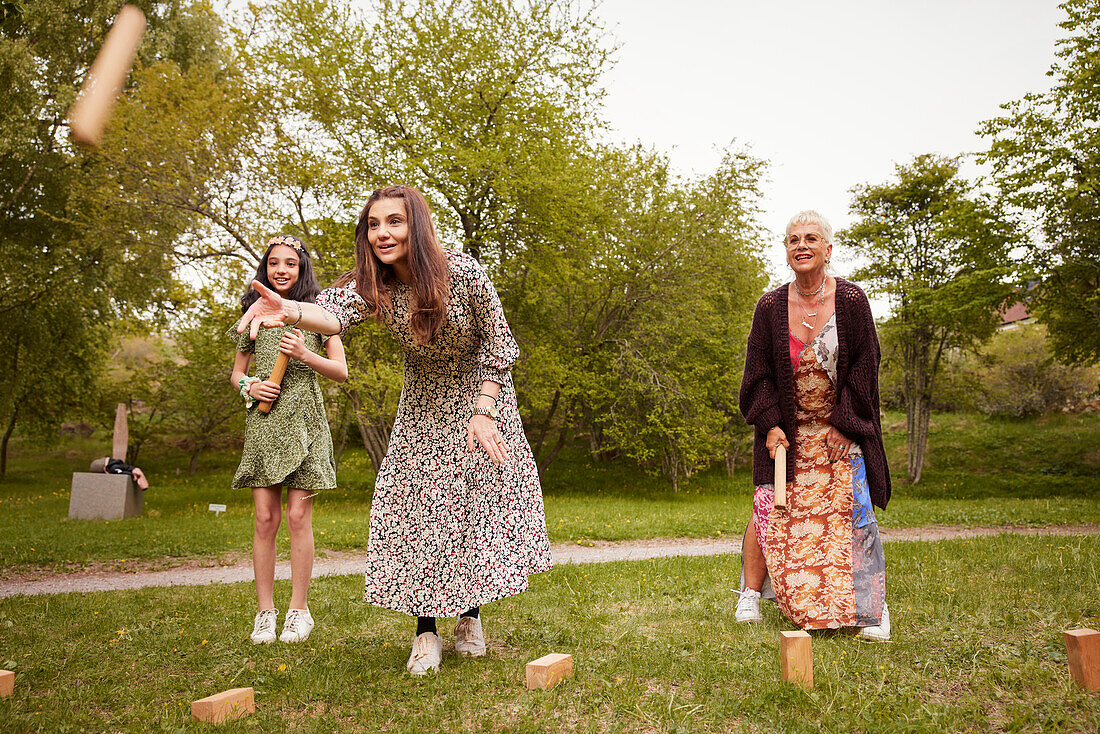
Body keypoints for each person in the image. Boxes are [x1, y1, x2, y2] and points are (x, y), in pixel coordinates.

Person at [236, 186, 553, 674]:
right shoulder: (373, 285)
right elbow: (333, 314)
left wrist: (485, 410)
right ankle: (425, 632)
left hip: (479, 395)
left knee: (467, 511)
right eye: (373, 224)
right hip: (423, 399)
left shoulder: (463, 273)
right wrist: (293, 310)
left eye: (394, 222)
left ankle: (468, 617)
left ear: (416, 227)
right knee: (415, 510)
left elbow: (500, 344)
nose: (382, 233)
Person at [736, 211, 891, 641]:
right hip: (787, 435)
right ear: (786, 252)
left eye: (811, 238)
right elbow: (758, 372)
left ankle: (873, 608)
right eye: (793, 240)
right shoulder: (769, 306)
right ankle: (750, 593)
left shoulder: (852, 301)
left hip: (839, 429)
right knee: (769, 507)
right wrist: (769, 424)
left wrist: (845, 423)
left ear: (827, 248)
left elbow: (866, 365)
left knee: (856, 511)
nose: (801, 245)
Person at [228, 234, 348, 645]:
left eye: (291, 264)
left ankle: (299, 611)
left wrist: (304, 354)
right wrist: (250, 387)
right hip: (265, 423)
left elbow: (340, 371)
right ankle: (265, 613)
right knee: (265, 520)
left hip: (304, 422)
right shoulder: (253, 314)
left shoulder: (318, 313)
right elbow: (236, 373)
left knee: (298, 518)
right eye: (274, 263)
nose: (282, 269)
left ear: (302, 270)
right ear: (266, 268)